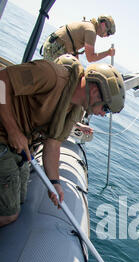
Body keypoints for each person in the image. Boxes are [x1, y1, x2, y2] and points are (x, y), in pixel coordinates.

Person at [0, 54, 125, 228]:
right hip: (4, 135)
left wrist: (55, 183)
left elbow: (53, 143)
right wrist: (13, 130)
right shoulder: (51, 75)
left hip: (18, 147)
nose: (104, 114)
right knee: (8, 215)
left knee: (20, 199)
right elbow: (1, 81)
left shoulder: (74, 108)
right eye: (106, 108)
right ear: (96, 91)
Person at [42, 16, 116, 63]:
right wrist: (108, 53)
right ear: (103, 25)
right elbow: (90, 58)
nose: (107, 36)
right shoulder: (91, 31)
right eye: (108, 33)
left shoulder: (88, 25)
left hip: (53, 46)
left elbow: (74, 47)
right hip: (55, 50)